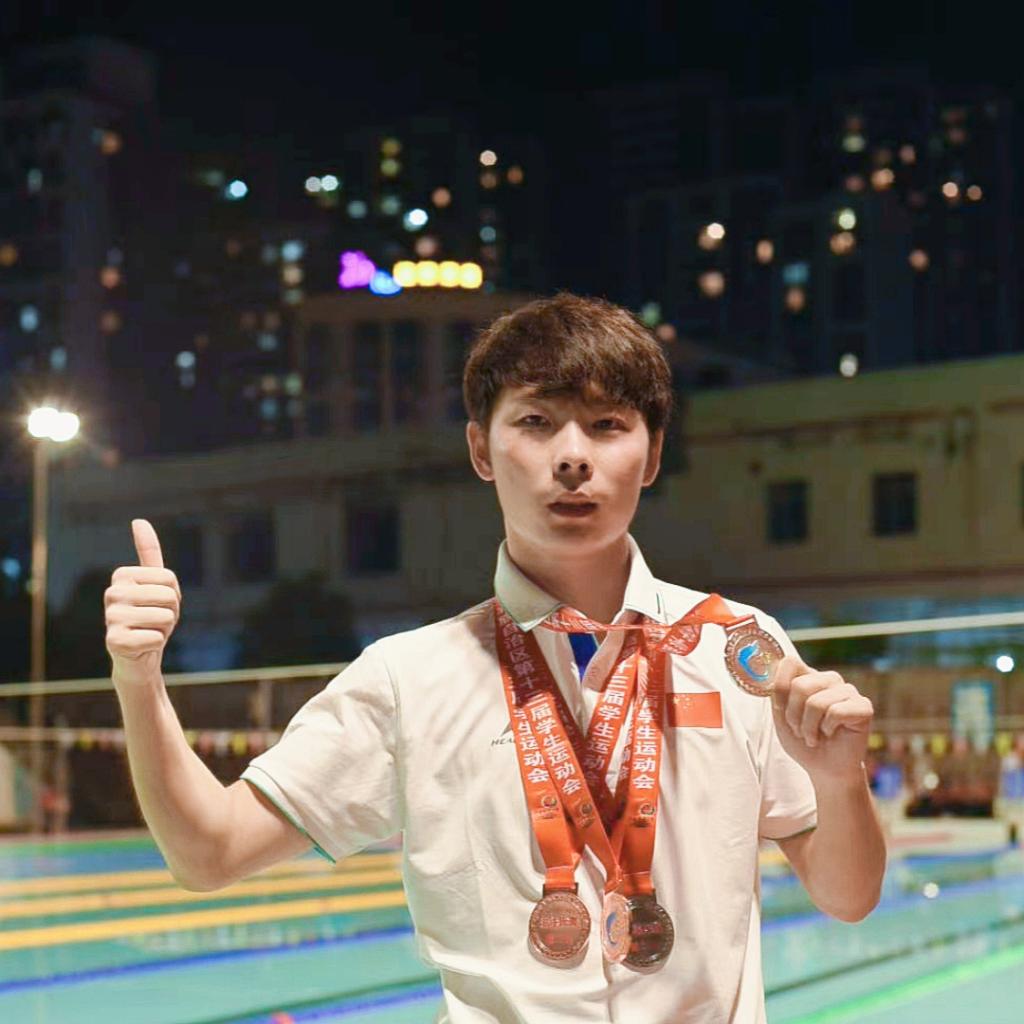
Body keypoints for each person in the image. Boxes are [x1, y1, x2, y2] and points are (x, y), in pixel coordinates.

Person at [105, 292, 885, 1023]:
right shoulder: (408, 679)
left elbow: (848, 898)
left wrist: (838, 779)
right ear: (481, 448)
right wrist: (138, 679)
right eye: (537, 422)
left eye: (607, 425)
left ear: (651, 456)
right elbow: (210, 852)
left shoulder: (737, 647)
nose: (572, 457)